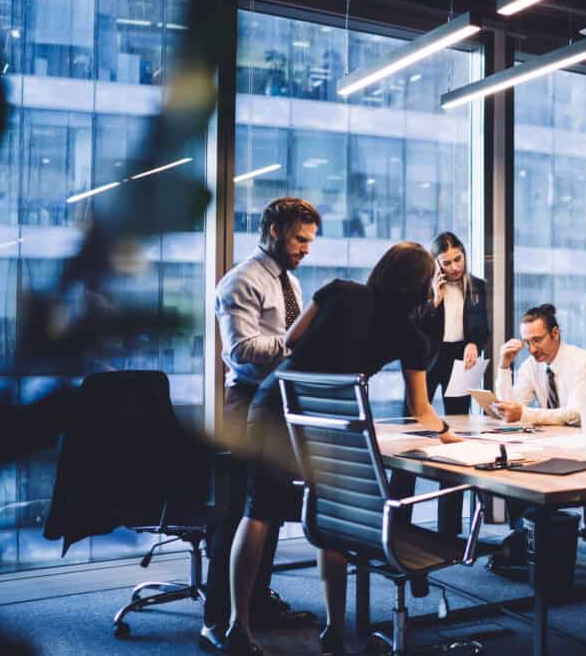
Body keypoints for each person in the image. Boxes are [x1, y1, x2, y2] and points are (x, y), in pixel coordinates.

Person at [225, 242, 463, 656]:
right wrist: (448, 433)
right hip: (334, 419)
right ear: (421, 286)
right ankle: (335, 629)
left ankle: (237, 626)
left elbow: (292, 339)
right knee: (330, 517)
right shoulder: (409, 334)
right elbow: (421, 410)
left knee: (257, 510)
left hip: (276, 401)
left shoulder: (341, 290)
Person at [204, 197, 320, 652]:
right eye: (299, 239)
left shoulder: (289, 280)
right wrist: (295, 344)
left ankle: (255, 602)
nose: (306, 249)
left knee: (268, 508)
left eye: (309, 241)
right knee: (239, 514)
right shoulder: (241, 282)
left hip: (280, 404)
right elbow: (241, 352)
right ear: (273, 231)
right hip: (248, 405)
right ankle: (217, 619)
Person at [489, 303, 586, 576]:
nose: (532, 349)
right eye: (527, 342)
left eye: (537, 340)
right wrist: (504, 366)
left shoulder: (580, 362)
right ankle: (525, 539)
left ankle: (524, 542)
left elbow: (574, 414)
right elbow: (511, 406)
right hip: (553, 440)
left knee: (528, 472)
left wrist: (524, 413)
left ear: (555, 333)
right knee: (512, 467)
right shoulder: (532, 366)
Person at [418, 231, 490, 415]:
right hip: (428, 356)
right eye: (447, 263)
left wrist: (474, 344)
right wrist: (434, 301)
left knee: (459, 416)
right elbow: (415, 326)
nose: (455, 267)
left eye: (458, 259)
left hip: (460, 357)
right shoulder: (423, 287)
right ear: (436, 263)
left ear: (464, 254)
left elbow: (482, 327)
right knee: (415, 415)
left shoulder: (477, 286)